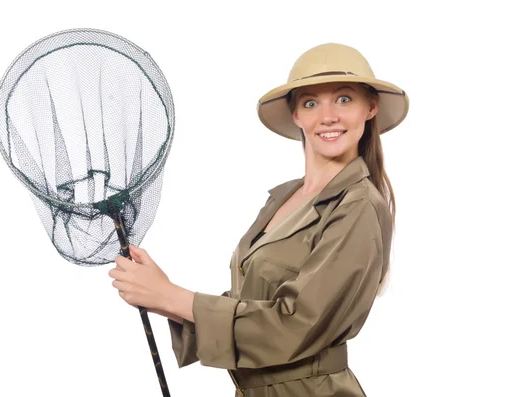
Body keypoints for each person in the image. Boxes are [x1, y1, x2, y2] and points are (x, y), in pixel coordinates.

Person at [108, 42, 409, 396]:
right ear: (296, 115)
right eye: (311, 102)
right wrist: (162, 298)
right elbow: (254, 303)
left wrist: (173, 297)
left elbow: (296, 324)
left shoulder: (358, 206)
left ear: (370, 108)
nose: (328, 116)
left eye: (344, 99)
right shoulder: (284, 198)